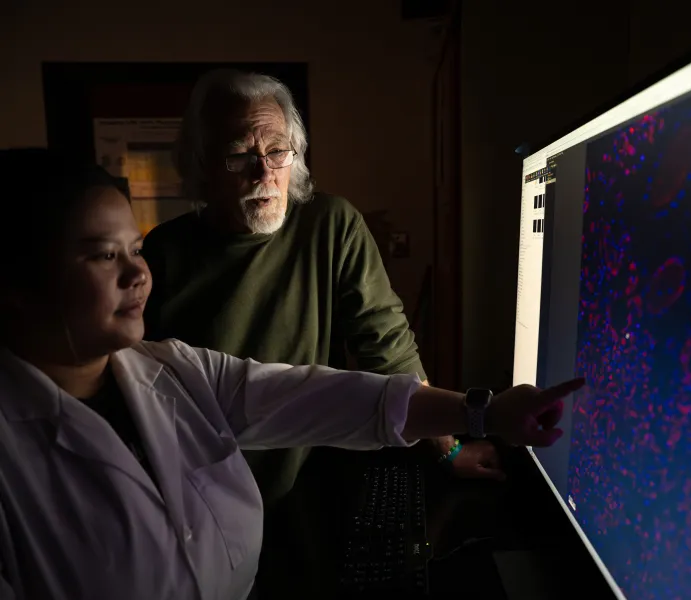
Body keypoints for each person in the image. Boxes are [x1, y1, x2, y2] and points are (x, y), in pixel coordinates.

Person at [0, 148, 583, 600]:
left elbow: (330, 397)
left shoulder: (172, 369)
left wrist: (483, 412)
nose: (138, 274)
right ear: (17, 287)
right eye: (104, 255)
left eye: (135, 249)